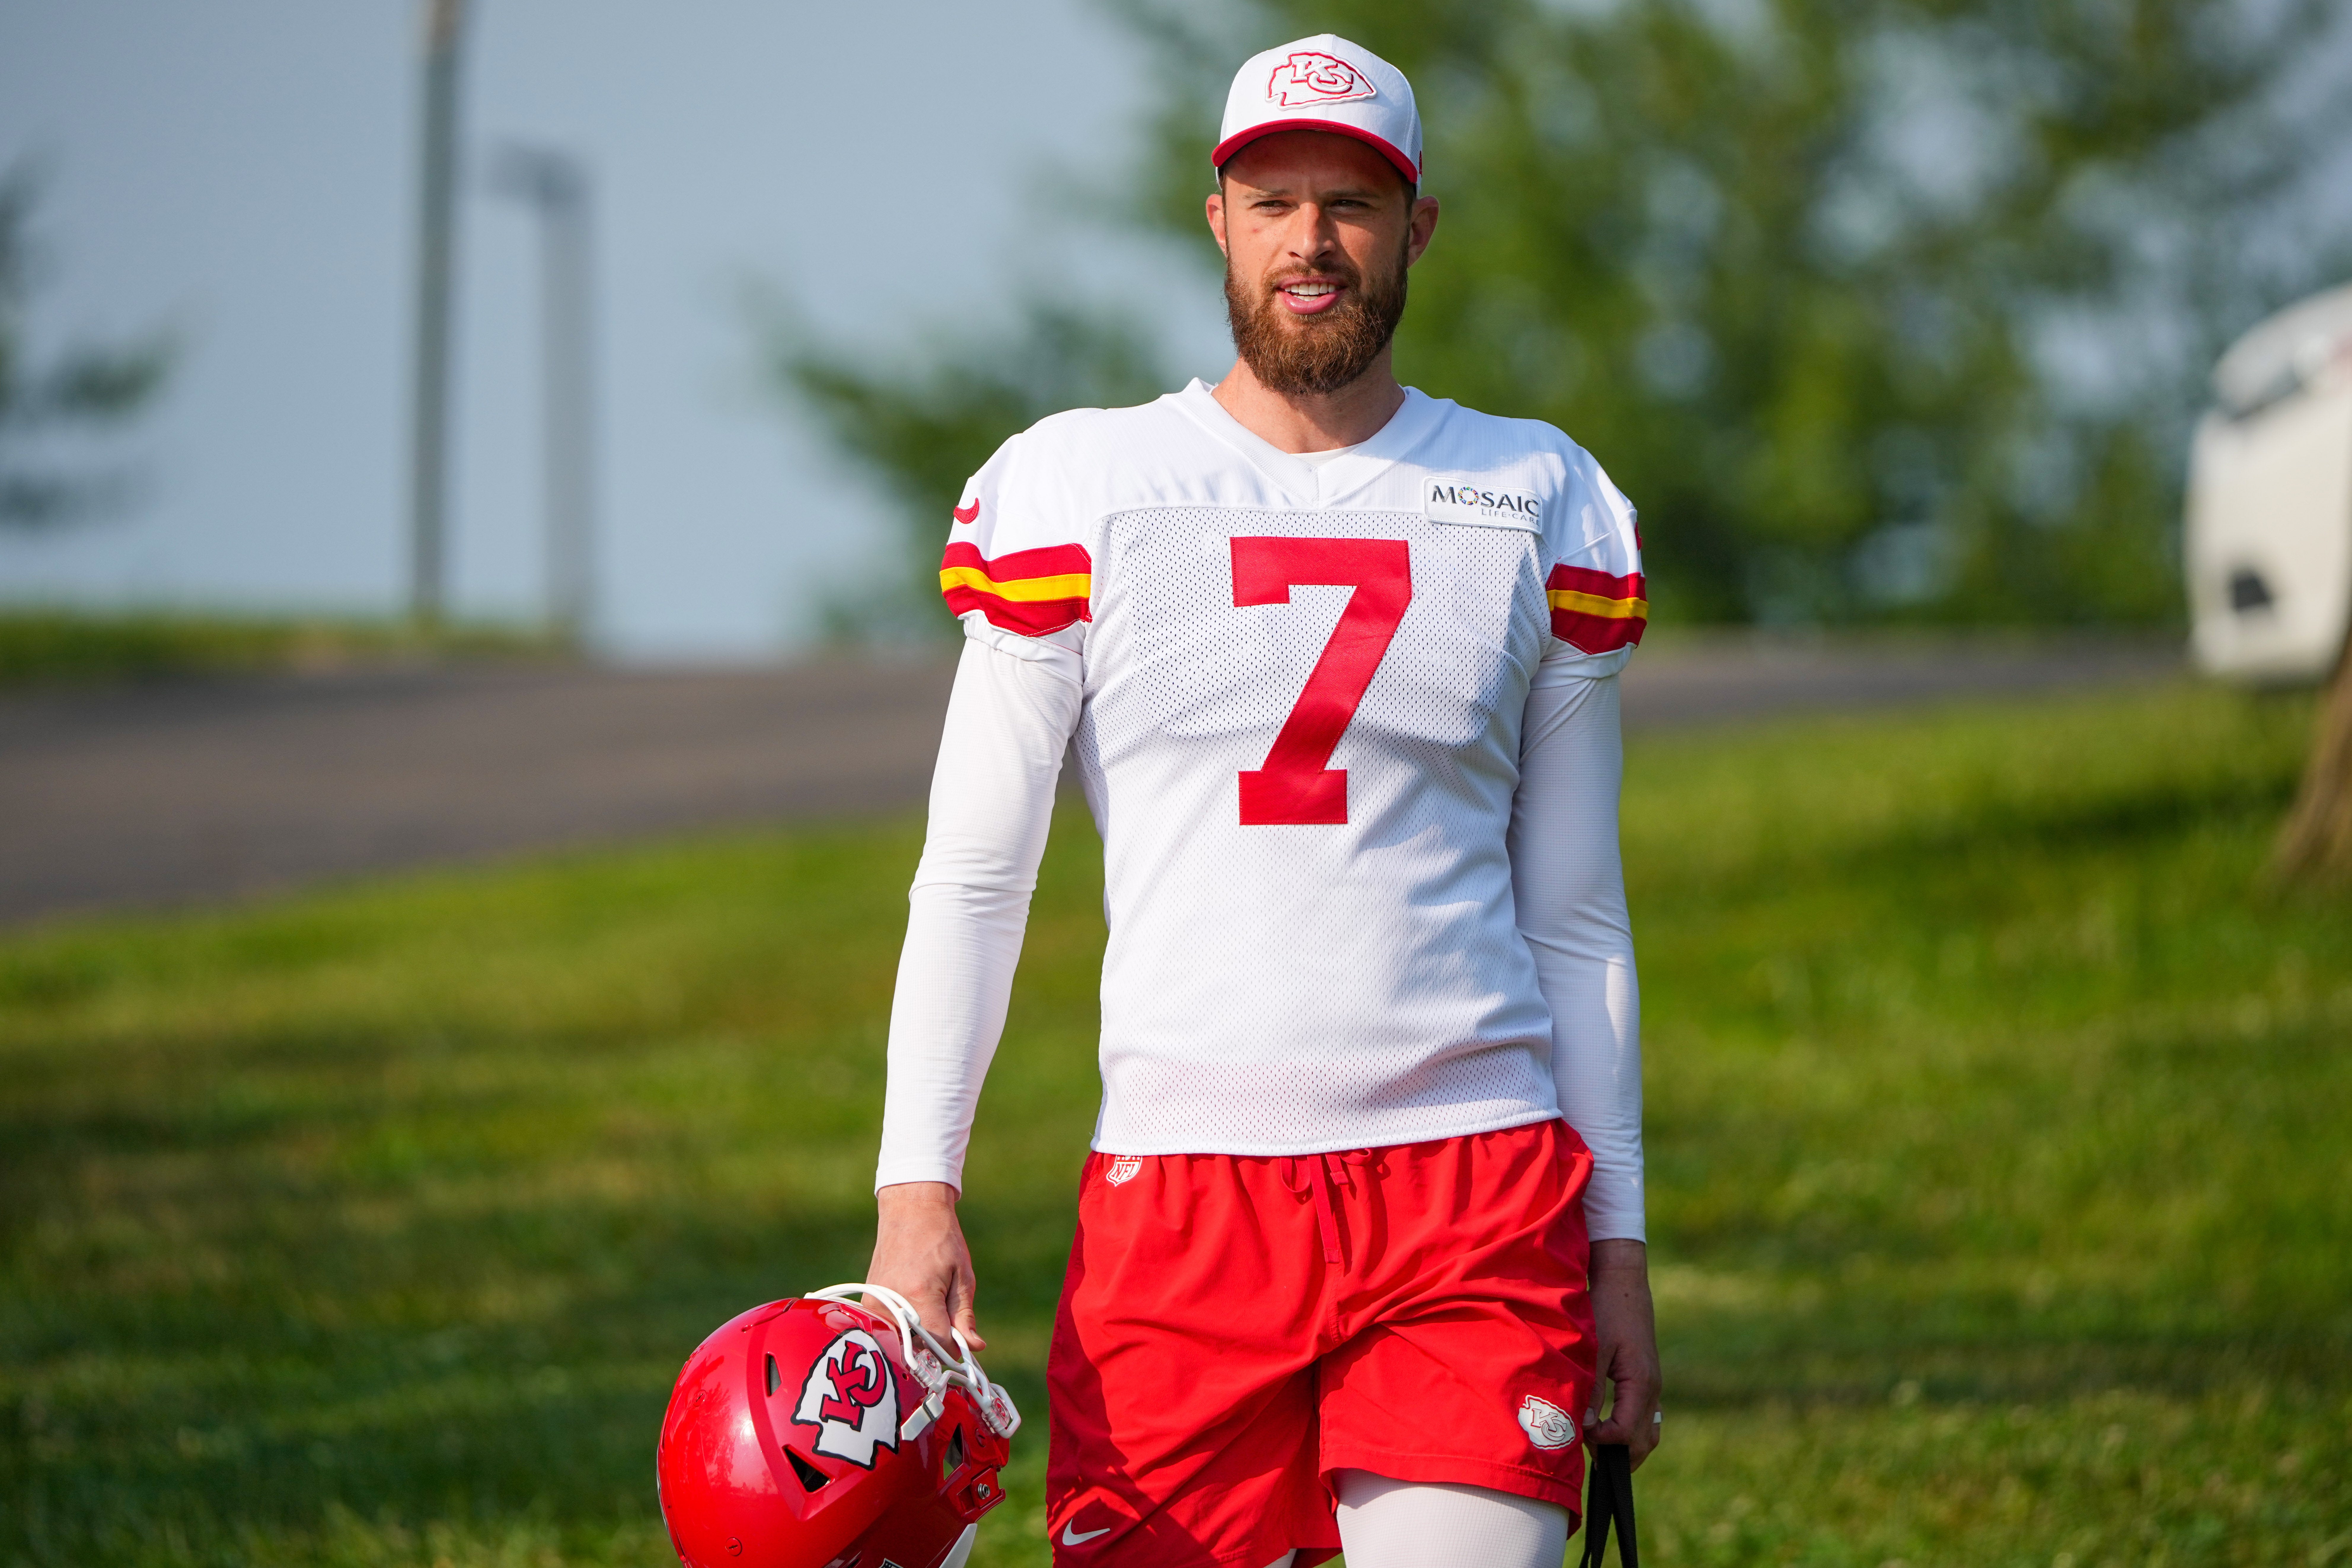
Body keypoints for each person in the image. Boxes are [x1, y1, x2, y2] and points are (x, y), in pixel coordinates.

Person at [867, 33, 1660, 1568]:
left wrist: (1616, 1246)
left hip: (1473, 1185)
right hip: (1180, 1196)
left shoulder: (1538, 494)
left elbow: (1578, 915)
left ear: (1417, 228)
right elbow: (975, 878)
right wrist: (918, 1191)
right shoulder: (1081, 483)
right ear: (1218, 219)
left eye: (1352, 203)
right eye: (1277, 199)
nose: (1314, 239)